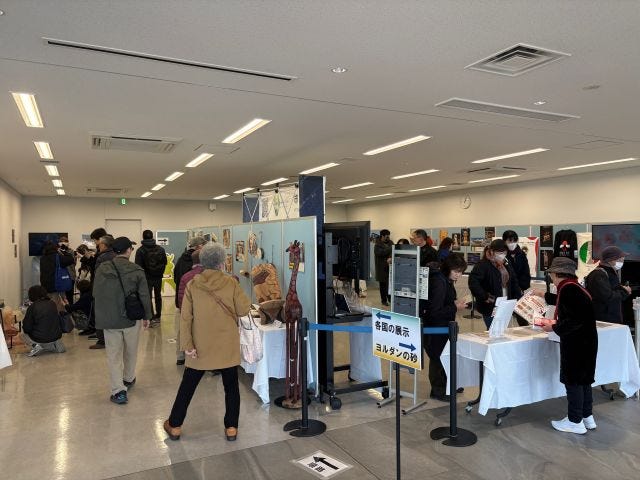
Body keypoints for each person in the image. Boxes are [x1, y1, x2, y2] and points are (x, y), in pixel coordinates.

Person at [164, 243, 251, 442]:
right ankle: (231, 427)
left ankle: (175, 425)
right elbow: (244, 309)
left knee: (188, 385)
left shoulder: (193, 285)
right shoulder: (231, 283)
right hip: (226, 344)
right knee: (231, 386)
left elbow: (185, 318)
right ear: (221, 263)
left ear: (202, 262)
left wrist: (187, 345)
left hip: (200, 345)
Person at [539, 257, 597, 434]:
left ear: (557, 274)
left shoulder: (568, 290)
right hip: (587, 341)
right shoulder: (575, 287)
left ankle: (574, 421)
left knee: (573, 381)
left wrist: (553, 327)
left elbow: (574, 320)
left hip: (576, 344)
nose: (551, 277)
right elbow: (570, 307)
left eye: (551, 274)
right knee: (584, 381)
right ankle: (587, 416)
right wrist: (543, 295)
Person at [93, 237, 152, 405]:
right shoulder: (136, 270)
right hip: (131, 318)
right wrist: (147, 316)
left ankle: (118, 391)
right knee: (131, 351)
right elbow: (144, 295)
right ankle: (128, 378)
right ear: (128, 250)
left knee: (113, 355)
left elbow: (96, 293)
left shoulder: (102, 268)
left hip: (109, 319)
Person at [422, 254, 468, 401]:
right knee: (437, 358)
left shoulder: (445, 279)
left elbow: (443, 302)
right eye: (456, 271)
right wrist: (455, 307)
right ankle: (438, 390)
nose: (458, 275)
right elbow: (434, 311)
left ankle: (448, 385)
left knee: (445, 356)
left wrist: (453, 304)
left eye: (460, 272)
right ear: (448, 268)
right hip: (435, 326)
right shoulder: (439, 282)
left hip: (443, 325)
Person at [468, 239, 522, 329]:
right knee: (493, 329)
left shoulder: (506, 263)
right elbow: (473, 283)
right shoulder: (482, 264)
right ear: (492, 251)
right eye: (499, 253)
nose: (502, 255)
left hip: (505, 303)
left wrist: (518, 297)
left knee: (502, 330)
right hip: (491, 305)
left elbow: (513, 280)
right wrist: (485, 296)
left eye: (504, 252)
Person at [173, 236, 207, 364]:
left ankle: (180, 356)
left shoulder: (181, 259)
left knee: (182, 329)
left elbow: (176, 278)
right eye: (204, 245)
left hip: (181, 301)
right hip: (195, 303)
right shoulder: (199, 263)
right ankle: (198, 356)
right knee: (197, 330)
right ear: (199, 247)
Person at [585, 245, 631, 324]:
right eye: (620, 259)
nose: (622, 261)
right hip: (604, 320)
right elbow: (607, 296)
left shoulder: (609, 272)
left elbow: (610, 290)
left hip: (611, 319)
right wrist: (624, 292)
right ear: (610, 260)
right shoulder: (598, 274)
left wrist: (621, 288)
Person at [89, 235, 117, 350]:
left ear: (104, 245)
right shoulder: (116, 255)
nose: (98, 245)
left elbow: (98, 275)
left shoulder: (102, 257)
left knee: (100, 315)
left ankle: (102, 341)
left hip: (103, 291)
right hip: (115, 290)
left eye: (99, 244)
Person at [21, 285, 66, 357]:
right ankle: (55, 344)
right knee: (48, 329)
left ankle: (36, 346)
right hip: (56, 335)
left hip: (40, 338)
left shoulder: (32, 307)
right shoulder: (52, 303)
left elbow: (27, 328)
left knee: (23, 335)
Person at [135, 229, 168, 326]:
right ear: (152, 236)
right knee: (158, 296)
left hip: (146, 278)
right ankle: (158, 316)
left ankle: (151, 317)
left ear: (143, 237)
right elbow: (165, 262)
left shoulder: (140, 250)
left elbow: (138, 266)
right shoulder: (161, 249)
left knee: (148, 298)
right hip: (158, 277)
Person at [39, 241, 75, 311]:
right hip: (57, 286)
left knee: (49, 306)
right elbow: (71, 259)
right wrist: (63, 250)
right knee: (59, 308)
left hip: (45, 286)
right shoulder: (58, 257)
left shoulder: (42, 258)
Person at [374, 229, 393, 306]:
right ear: (382, 236)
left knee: (390, 285)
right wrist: (391, 248)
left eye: (389, 236)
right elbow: (380, 253)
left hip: (390, 268)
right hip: (381, 269)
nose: (388, 238)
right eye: (386, 237)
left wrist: (391, 256)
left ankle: (390, 299)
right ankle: (384, 300)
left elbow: (393, 252)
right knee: (383, 286)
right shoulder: (377, 244)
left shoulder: (391, 243)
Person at [57, 236, 77, 304]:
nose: (63, 243)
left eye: (65, 241)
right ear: (59, 243)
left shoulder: (71, 251)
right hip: (61, 276)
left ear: (68, 243)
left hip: (71, 276)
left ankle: (70, 308)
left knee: (70, 295)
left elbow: (74, 262)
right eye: (62, 241)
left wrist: (64, 252)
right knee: (61, 295)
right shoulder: (57, 252)